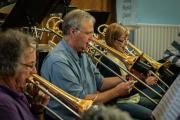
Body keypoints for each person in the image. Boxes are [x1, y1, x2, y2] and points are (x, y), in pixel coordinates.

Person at [41, 9, 152, 120]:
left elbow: (101, 82)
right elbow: (81, 101)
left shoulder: (82, 53)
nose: (93, 38)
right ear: (73, 32)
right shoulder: (59, 61)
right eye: (88, 33)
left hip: (89, 113)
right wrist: (117, 91)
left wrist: (127, 77)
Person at [97, 23, 163, 109]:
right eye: (122, 40)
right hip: (119, 102)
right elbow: (121, 92)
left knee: (161, 106)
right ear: (112, 41)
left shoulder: (122, 57)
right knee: (152, 115)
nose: (126, 44)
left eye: (127, 40)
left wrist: (145, 73)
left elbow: (132, 79)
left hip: (132, 98)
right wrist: (145, 83)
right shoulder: (108, 61)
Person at [0, 29, 49, 120]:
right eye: (30, 65)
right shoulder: (5, 106)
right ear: (11, 65)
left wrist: (37, 110)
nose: (34, 72)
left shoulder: (18, 92)